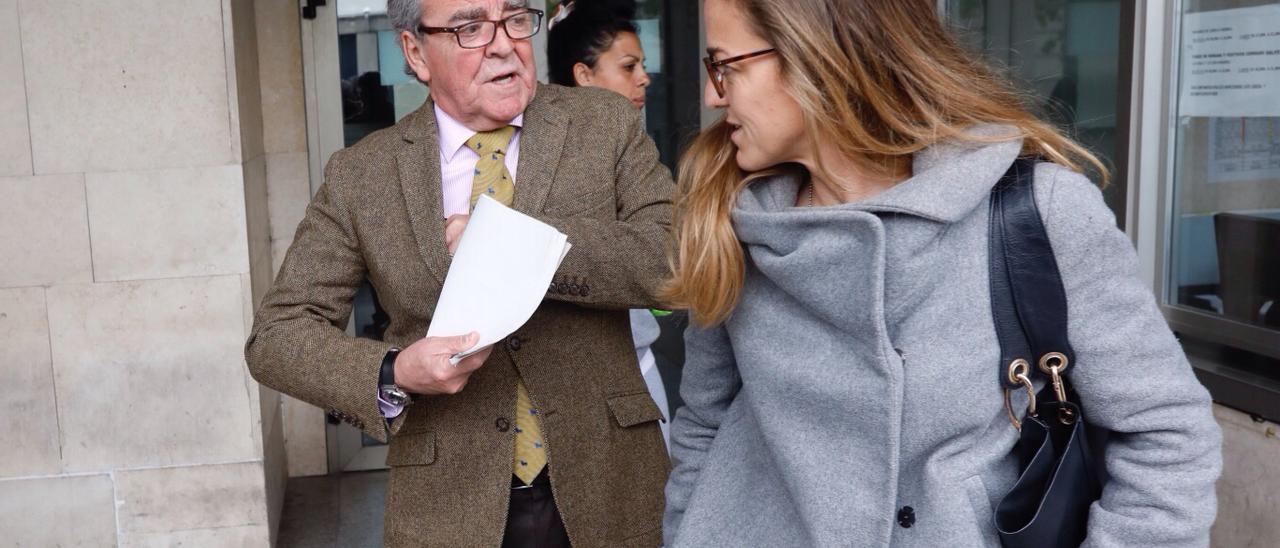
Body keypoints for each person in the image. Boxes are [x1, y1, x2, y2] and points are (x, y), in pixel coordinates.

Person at [661, 0, 1222, 546]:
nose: (713, 95)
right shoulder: (731, 220)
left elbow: (1165, 435)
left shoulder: (1037, 210)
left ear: (817, 55)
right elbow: (703, 428)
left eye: (724, 65)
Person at [245, 0, 673, 546]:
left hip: (610, 481)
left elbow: (675, 258)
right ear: (415, 52)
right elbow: (277, 336)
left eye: (515, 18)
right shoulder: (362, 175)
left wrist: (514, 243)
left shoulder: (603, 125)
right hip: (448, 503)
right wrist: (394, 371)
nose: (502, 44)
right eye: (471, 27)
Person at [546, 0, 669, 448]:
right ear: (583, 76)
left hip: (640, 360)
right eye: (628, 66)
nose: (644, 78)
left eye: (642, 65)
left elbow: (664, 255)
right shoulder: (548, 161)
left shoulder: (635, 152)